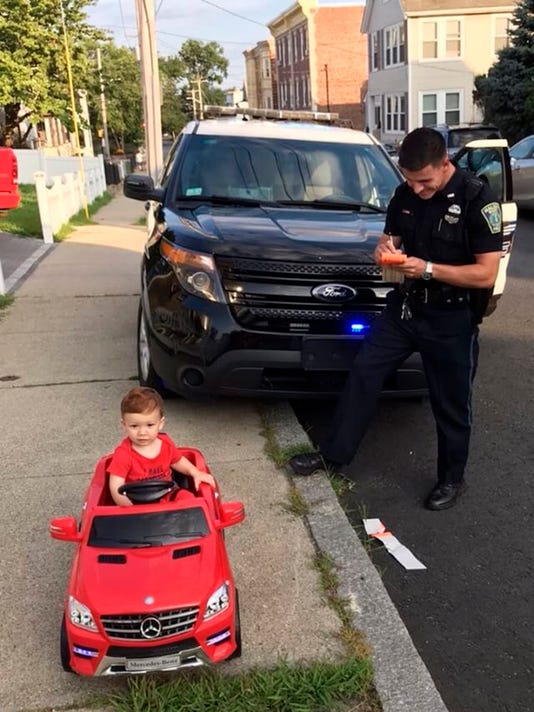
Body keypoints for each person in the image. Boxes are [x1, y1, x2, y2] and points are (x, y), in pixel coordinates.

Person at [289, 127, 503, 511]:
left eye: (424, 181)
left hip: (451, 316)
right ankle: (334, 456)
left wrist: (428, 269)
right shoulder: (404, 195)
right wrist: (384, 251)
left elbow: (485, 274)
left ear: (444, 164)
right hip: (405, 309)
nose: (417, 189)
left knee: (451, 403)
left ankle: (451, 479)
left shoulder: (477, 199)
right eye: (410, 180)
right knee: (364, 373)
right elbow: (391, 245)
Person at [108, 386, 215, 506]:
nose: (142, 432)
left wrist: (195, 472)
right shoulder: (123, 454)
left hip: (167, 494)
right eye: (134, 426)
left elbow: (178, 461)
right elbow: (115, 487)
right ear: (124, 425)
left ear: (160, 423)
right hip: (136, 500)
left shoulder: (165, 444)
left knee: (189, 500)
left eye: (149, 425)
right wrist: (131, 510)